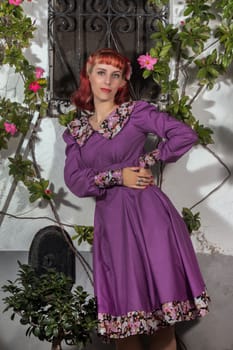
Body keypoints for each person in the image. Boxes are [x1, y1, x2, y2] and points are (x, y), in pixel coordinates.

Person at [63, 48, 210, 350]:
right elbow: (75, 181)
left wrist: (149, 158)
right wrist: (118, 176)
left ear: (122, 83)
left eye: (115, 75)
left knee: (161, 327)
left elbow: (184, 135)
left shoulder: (137, 113)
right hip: (114, 228)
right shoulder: (76, 132)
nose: (107, 80)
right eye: (101, 72)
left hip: (150, 219)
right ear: (88, 76)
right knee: (124, 327)